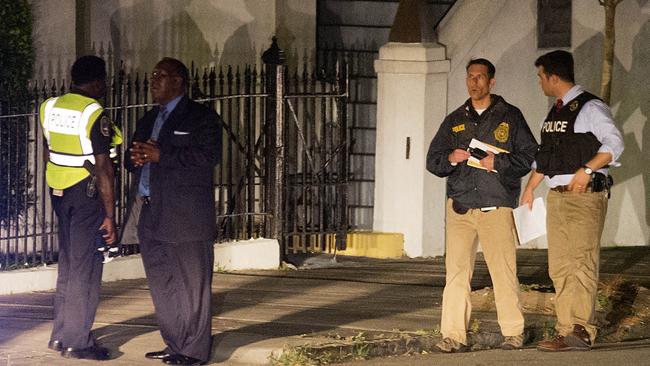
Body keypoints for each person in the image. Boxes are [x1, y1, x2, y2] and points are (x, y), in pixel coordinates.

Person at [426, 58, 538, 352]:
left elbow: (529, 157)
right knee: (456, 274)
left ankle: (513, 332)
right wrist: (452, 158)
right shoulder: (455, 119)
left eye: (480, 77)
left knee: (502, 271)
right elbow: (433, 160)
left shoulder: (509, 116)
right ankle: (453, 335)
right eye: (470, 77)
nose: (474, 82)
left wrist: (496, 162)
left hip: (494, 205)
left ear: (492, 82)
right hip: (461, 206)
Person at [521, 50, 624, 352]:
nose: (539, 82)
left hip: (584, 195)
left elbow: (615, 142)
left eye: (541, 76)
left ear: (554, 77)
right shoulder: (555, 112)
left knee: (581, 263)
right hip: (557, 197)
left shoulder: (591, 107)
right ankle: (566, 329)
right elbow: (546, 156)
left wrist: (587, 169)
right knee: (560, 266)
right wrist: (530, 188)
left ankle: (582, 327)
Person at [125, 57, 222, 366]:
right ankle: (174, 343)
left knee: (191, 285)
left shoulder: (200, 117)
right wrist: (135, 159)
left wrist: (161, 154)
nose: (153, 80)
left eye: (161, 75)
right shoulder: (148, 117)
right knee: (161, 283)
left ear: (179, 81)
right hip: (151, 211)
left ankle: (193, 350)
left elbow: (208, 156)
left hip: (186, 216)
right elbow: (133, 155)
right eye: (153, 75)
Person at [40, 55, 121, 360]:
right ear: (98, 81)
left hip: (59, 192)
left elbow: (48, 150)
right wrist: (110, 215)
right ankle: (79, 342)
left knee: (69, 264)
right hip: (86, 194)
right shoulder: (93, 112)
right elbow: (104, 169)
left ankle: (60, 335)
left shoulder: (49, 106)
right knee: (85, 269)